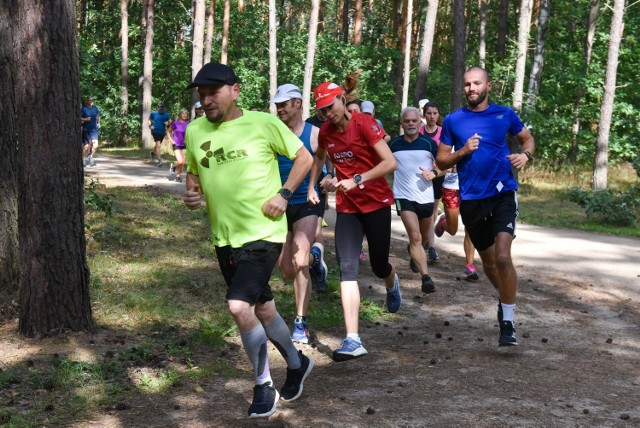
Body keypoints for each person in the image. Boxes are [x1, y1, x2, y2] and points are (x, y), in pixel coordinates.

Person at [182, 62, 314, 418]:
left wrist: (285, 194)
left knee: (239, 307)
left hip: (264, 231)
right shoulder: (195, 131)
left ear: (235, 90)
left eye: (214, 92)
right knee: (263, 308)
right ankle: (297, 363)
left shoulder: (262, 123)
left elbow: (304, 157)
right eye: (202, 93)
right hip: (224, 236)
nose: (207, 99)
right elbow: (194, 176)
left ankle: (262, 385)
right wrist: (192, 194)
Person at [437, 66, 535, 346]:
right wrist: (464, 151)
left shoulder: (505, 114)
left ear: (488, 86)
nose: (471, 88)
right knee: (490, 264)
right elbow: (442, 161)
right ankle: (505, 301)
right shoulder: (454, 120)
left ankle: (508, 321)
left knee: (503, 257)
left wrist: (525, 155)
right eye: (467, 84)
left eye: (476, 83)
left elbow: (526, 139)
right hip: (471, 199)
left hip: (503, 192)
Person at [308, 81, 401, 362]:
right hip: (347, 208)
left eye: (330, 107)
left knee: (377, 264)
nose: (327, 114)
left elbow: (390, 163)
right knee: (347, 269)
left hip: (376, 203)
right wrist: (316, 183)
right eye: (322, 111)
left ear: (342, 98)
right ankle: (352, 339)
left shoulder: (364, 124)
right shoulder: (325, 131)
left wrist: (357, 179)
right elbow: (320, 157)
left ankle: (391, 279)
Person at [272, 83, 329, 343]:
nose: (279, 109)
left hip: (306, 201)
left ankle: (300, 322)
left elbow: (331, 164)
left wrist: (325, 182)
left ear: (298, 104)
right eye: (277, 105)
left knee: (299, 261)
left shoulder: (315, 133)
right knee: (286, 269)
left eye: (284, 104)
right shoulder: (272, 132)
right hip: (278, 204)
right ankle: (317, 261)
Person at [390, 107, 439, 294]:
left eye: (414, 121)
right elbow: (382, 163)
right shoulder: (393, 144)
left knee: (424, 238)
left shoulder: (429, 144)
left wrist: (433, 173)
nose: (410, 124)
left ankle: (415, 253)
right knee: (416, 236)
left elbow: (443, 166)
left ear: (420, 123)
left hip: (425, 197)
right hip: (403, 196)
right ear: (402, 124)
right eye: (407, 121)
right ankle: (426, 277)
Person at [419, 101, 444, 263]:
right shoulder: (418, 131)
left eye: (435, 113)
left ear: (438, 115)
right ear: (424, 114)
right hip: (420, 176)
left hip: (436, 176)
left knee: (433, 211)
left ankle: (431, 247)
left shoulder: (443, 132)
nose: (432, 117)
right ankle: (421, 242)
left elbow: (445, 156)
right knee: (422, 211)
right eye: (429, 113)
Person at [168, 109, 189, 182]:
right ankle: (173, 166)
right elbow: (168, 131)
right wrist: (171, 140)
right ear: (180, 114)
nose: (184, 115)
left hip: (185, 145)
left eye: (186, 114)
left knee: (183, 163)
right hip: (176, 144)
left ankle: (178, 176)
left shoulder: (188, 124)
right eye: (183, 113)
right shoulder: (175, 123)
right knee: (180, 161)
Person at [149, 103, 171, 167]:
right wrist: (150, 126)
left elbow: (170, 121)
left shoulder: (166, 114)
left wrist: (167, 123)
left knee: (158, 145)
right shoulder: (153, 113)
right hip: (155, 131)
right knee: (158, 145)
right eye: (160, 109)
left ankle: (152, 153)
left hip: (162, 132)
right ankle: (159, 160)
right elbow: (149, 119)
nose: (161, 110)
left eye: (162, 109)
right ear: (157, 108)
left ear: (164, 108)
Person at [81, 96, 100, 167]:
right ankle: (82, 159)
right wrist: (85, 119)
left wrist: (98, 123)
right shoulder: (84, 108)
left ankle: (90, 157)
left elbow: (98, 116)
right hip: (86, 129)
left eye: (92, 100)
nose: (91, 101)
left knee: (95, 145)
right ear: (87, 101)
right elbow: (79, 118)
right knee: (86, 147)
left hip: (94, 129)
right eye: (89, 100)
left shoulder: (95, 108)